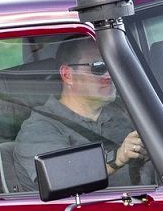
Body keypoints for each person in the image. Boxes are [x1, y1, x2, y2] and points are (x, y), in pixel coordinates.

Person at [10, 37, 149, 192]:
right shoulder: (37, 129)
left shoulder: (125, 111)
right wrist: (117, 158)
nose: (110, 74)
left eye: (112, 65)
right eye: (99, 67)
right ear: (67, 75)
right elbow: (60, 177)